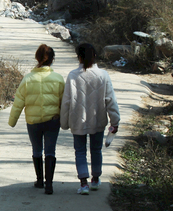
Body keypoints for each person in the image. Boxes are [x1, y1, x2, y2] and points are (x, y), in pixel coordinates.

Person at [60, 43, 120, 195]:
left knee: (80, 151)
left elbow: (66, 101)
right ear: (95, 56)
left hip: (77, 120)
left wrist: (64, 122)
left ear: (78, 57)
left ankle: (83, 184)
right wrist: (115, 121)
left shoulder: (73, 75)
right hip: (97, 119)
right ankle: (95, 179)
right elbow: (110, 100)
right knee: (96, 150)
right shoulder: (103, 75)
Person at [8, 44, 65, 194]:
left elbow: (18, 102)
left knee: (37, 149)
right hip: (53, 120)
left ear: (37, 58)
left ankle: (40, 180)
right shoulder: (58, 79)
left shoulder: (27, 79)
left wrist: (12, 121)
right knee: (50, 151)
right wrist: (66, 120)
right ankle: (49, 185)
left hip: (33, 122)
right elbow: (64, 102)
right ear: (52, 60)